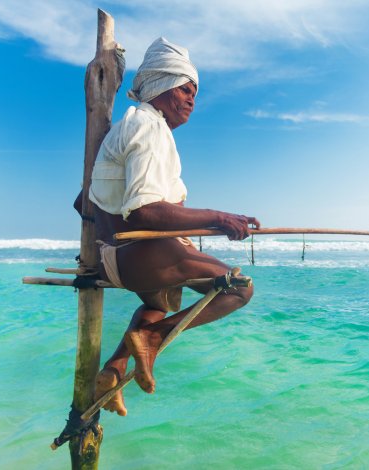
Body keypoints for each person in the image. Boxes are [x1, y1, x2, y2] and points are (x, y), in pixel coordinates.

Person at [74, 37, 260, 416]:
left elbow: (83, 201)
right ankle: (151, 340)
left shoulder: (130, 127)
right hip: (138, 257)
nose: (192, 99)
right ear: (161, 87)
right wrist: (219, 218)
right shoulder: (148, 126)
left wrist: (103, 234)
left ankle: (114, 368)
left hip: (119, 259)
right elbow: (143, 211)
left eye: (195, 92)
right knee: (239, 289)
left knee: (162, 301)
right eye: (185, 89)